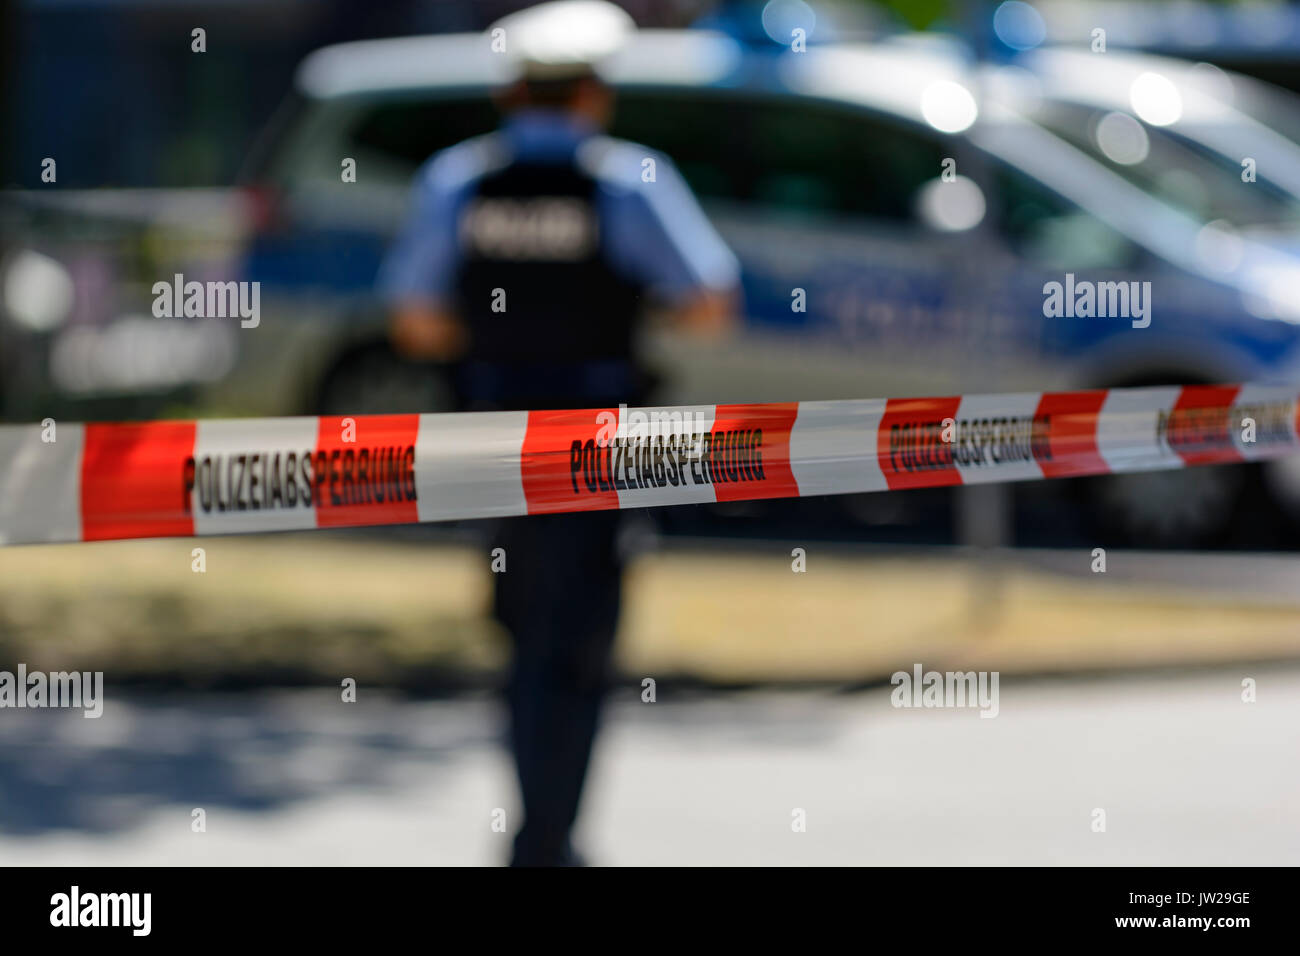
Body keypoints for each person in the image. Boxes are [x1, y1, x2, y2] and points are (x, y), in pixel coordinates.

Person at [377, 0, 741, 866]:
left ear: (510, 93)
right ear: (595, 96)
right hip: (596, 445)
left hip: (491, 439)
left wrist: (505, 336)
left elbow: (415, 321)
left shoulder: (457, 180)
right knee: (579, 638)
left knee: (521, 628)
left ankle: (536, 827)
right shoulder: (628, 181)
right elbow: (709, 302)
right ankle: (553, 834)